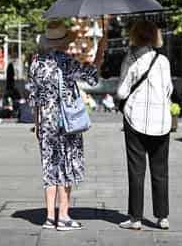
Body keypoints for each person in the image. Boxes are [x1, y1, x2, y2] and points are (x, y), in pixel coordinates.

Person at [26, 20, 107, 231]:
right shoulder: (66, 62)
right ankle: (63, 216)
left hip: (45, 123)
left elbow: (34, 99)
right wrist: (100, 52)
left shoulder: (36, 63)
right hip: (66, 123)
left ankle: (49, 217)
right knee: (66, 166)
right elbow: (92, 76)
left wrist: (37, 124)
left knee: (49, 167)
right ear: (63, 43)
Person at [116, 20, 173, 230]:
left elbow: (122, 91)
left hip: (136, 119)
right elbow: (169, 90)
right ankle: (162, 217)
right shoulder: (163, 60)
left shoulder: (131, 58)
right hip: (161, 121)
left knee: (136, 169)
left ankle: (136, 218)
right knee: (160, 170)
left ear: (135, 35)